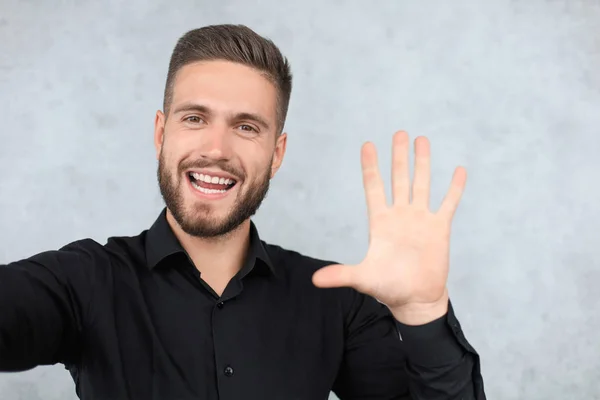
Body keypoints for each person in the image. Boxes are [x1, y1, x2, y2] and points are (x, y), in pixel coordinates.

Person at [0, 24, 485, 399]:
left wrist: (423, 316)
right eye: (194, 118)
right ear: (160, 134)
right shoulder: (84, 280)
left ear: (277, 153)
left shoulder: (336, 303)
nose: (216, 148)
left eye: (247, 127)